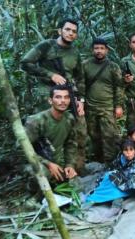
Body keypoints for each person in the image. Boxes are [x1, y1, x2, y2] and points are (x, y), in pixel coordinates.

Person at [21, 18, 87, 173]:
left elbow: (80, 78)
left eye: (74, 32)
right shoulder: (46, 46)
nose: (71, 33)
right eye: (68, 30)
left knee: (79, 130)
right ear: (60, 31)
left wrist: (81, 100)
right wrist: (50, 75)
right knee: (46, 133)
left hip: (69, 95)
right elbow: (25, 63)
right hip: (47, 96)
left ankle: (75, 168)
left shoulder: (75, 53)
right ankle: (46, 168)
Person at [25, 85, 78, 182]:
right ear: (50, 101)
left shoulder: (69, 118)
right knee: (43, 174)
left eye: (66, 97)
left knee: (75, 182)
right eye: (58, 97)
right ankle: (33, 190)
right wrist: (48, 164)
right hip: (34, 161)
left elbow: (71, 144)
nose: (63, 101)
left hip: (55, 159)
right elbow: (21, 150)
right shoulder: (36, 121)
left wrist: (69, 165)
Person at [82, 38, 123, 164]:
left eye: (101, 48)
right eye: (96, 48)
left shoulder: (113, 67)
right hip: (90, 107)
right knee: (94, 136)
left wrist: (119, 105)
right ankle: (99, 161)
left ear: (107, 50)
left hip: (108, 107)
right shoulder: (85, 65)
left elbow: (119, 87)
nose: (99, 51)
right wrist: (81, 102)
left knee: (110, 136)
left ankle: (111, 162)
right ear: (92, 50)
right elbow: (80, 85)